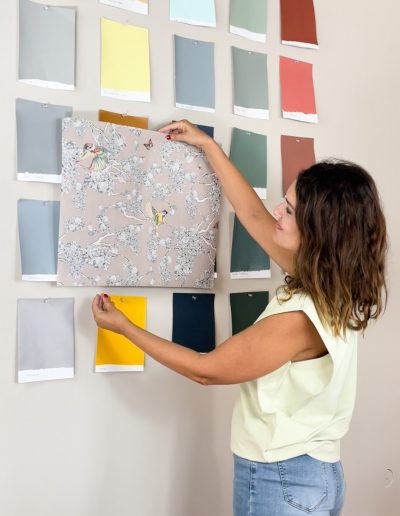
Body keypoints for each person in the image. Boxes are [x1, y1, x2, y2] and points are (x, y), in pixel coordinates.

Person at [92, 120, 387, 516]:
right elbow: (252, 214)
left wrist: (124, 327)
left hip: (281, 480)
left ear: (318, 232)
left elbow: (205, 370)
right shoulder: (334, 283)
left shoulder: (298, 321)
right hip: (317, 474)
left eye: (290, 211)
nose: (278, 211)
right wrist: (208, 146)